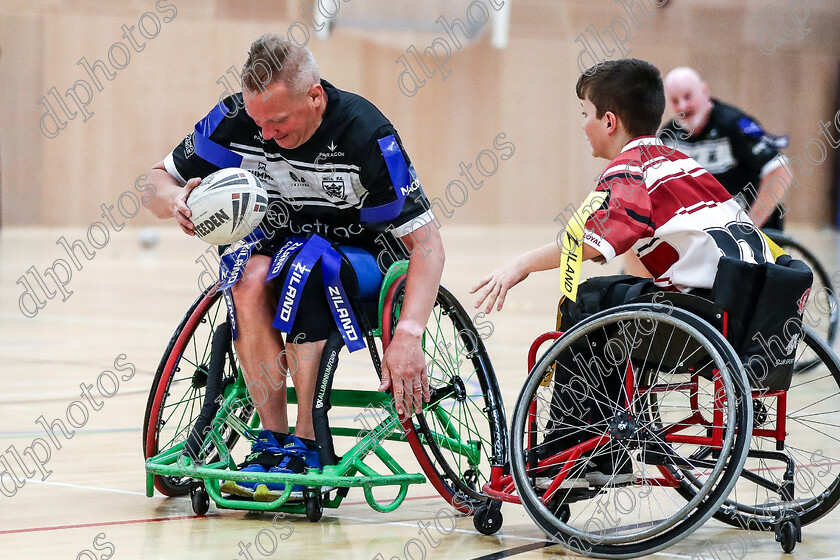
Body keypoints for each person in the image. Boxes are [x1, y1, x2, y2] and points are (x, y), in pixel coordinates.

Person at [143, 34, 444, 499]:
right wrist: (175, 200)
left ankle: (307, 441)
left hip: (365, 255)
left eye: (278, 121)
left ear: (315, 96)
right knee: (245, 277)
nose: (265, 135)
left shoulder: (366, 133)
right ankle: (273, 441)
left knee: (309, 271)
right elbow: (154, 183)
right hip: (281, 245)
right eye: (258, 122)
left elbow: (427, 245)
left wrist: (408, 332)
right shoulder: (237, 118)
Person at [471, 58, 783, 487]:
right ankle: (603, 441)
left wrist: (522, 264)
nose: (582, 125)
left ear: (610, 120)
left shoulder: (629, 167)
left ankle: (583, 451)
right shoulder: (681, 162)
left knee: (590, 300)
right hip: (752, 314)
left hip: (704, 324)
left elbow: (597, 244)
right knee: (619, 295)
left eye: (586, 114)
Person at [659, 67, 792, 231]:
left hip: (755, 232)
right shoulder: (667, 138)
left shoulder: (736, 123)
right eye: (674, 100)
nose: (683, 106)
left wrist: (750, 227)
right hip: (710, 235)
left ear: (704, 91)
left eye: (688, 96)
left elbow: (780, 170)